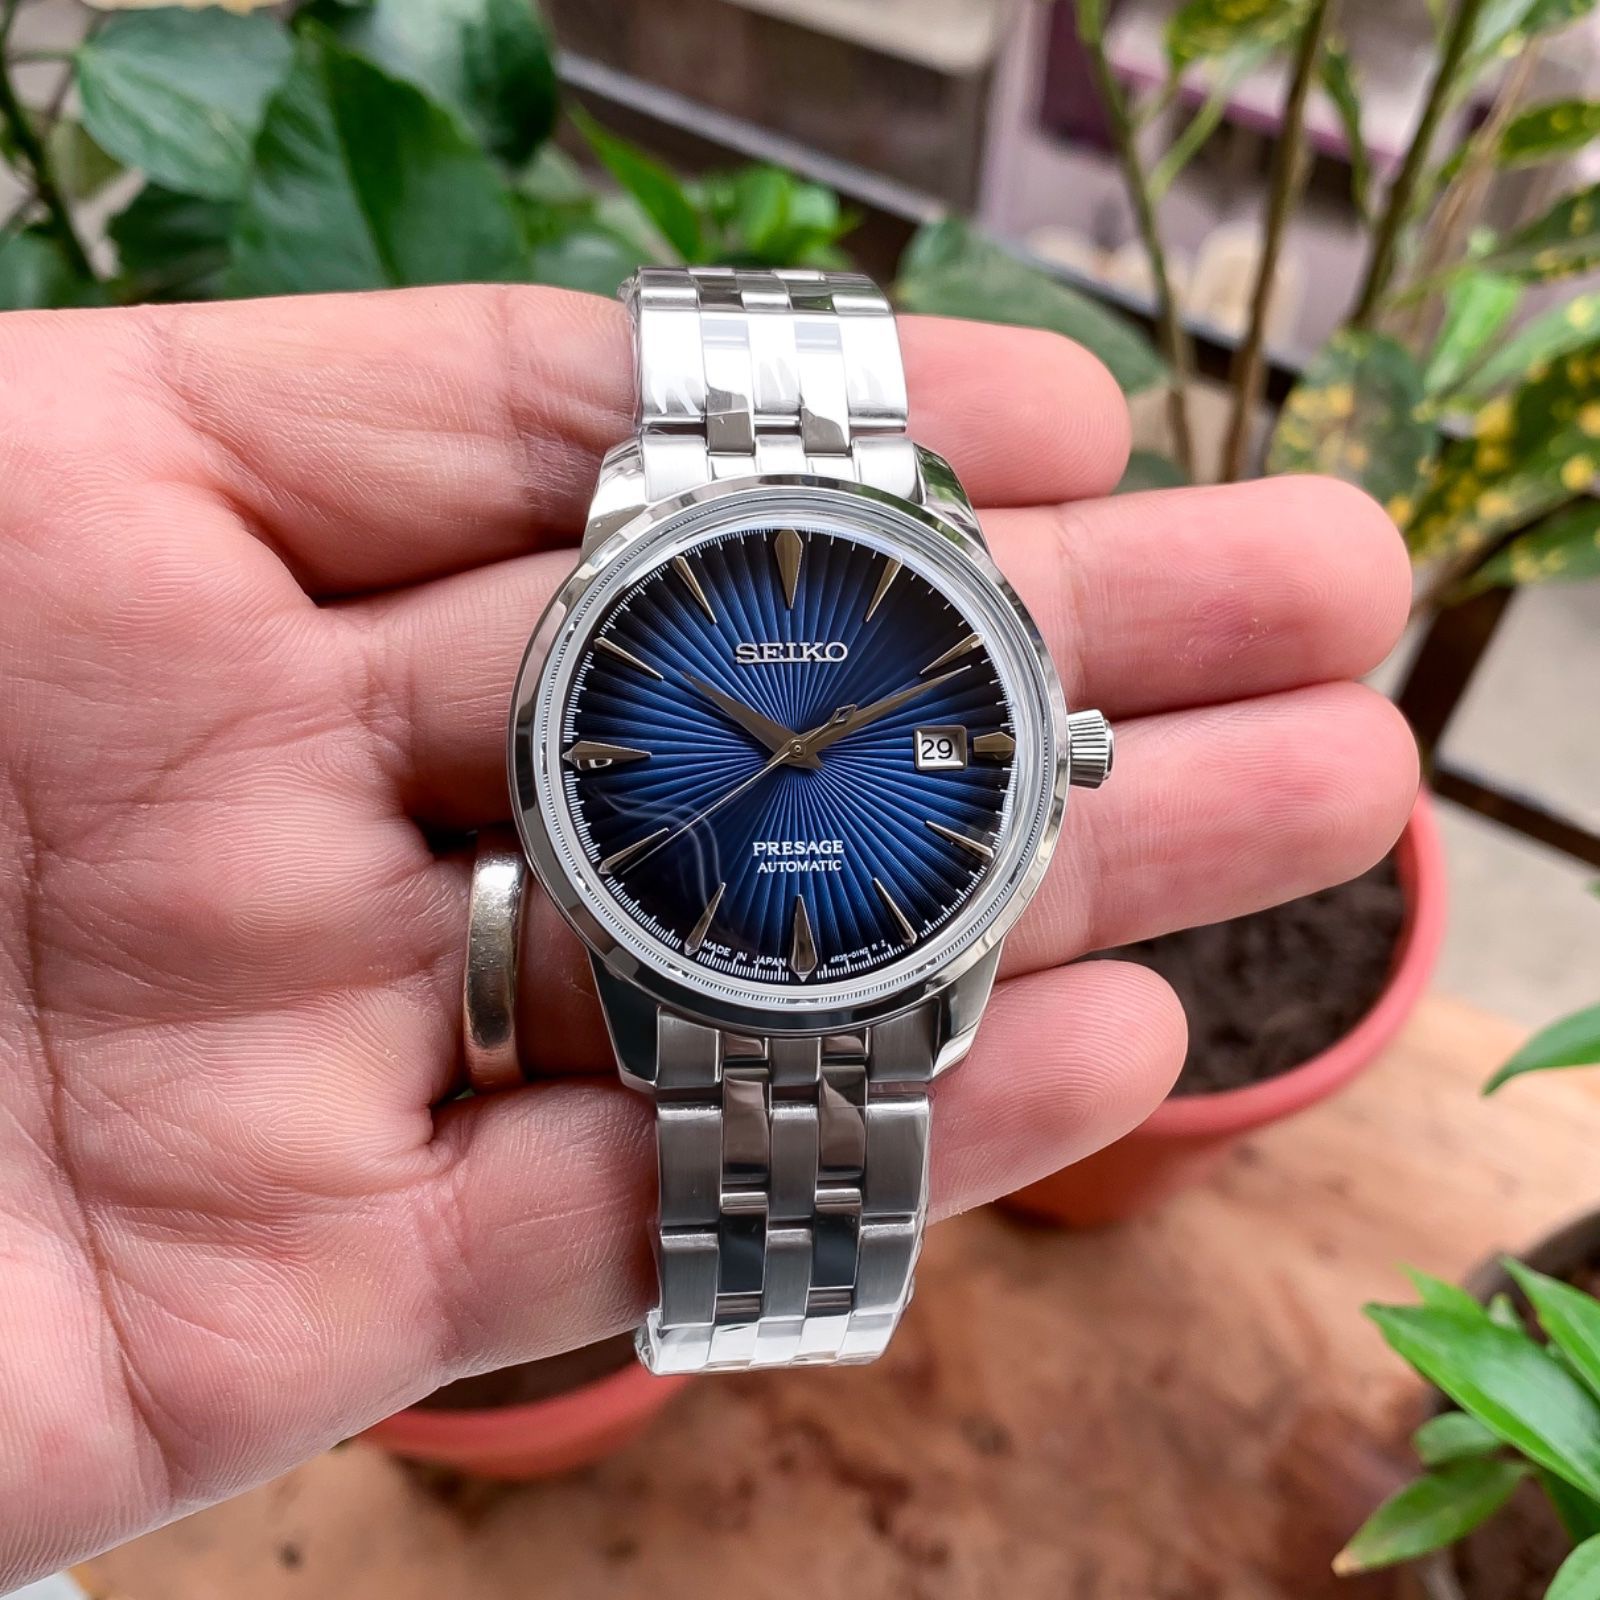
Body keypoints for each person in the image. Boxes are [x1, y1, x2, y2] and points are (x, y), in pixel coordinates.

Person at [0, 285, 1417, 1588]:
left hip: (840, 940)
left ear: (1065, 750)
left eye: (819, 739)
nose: (795, 758)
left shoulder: (963, 700)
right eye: (778, 743)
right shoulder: (655, 586)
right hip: (696, 941)